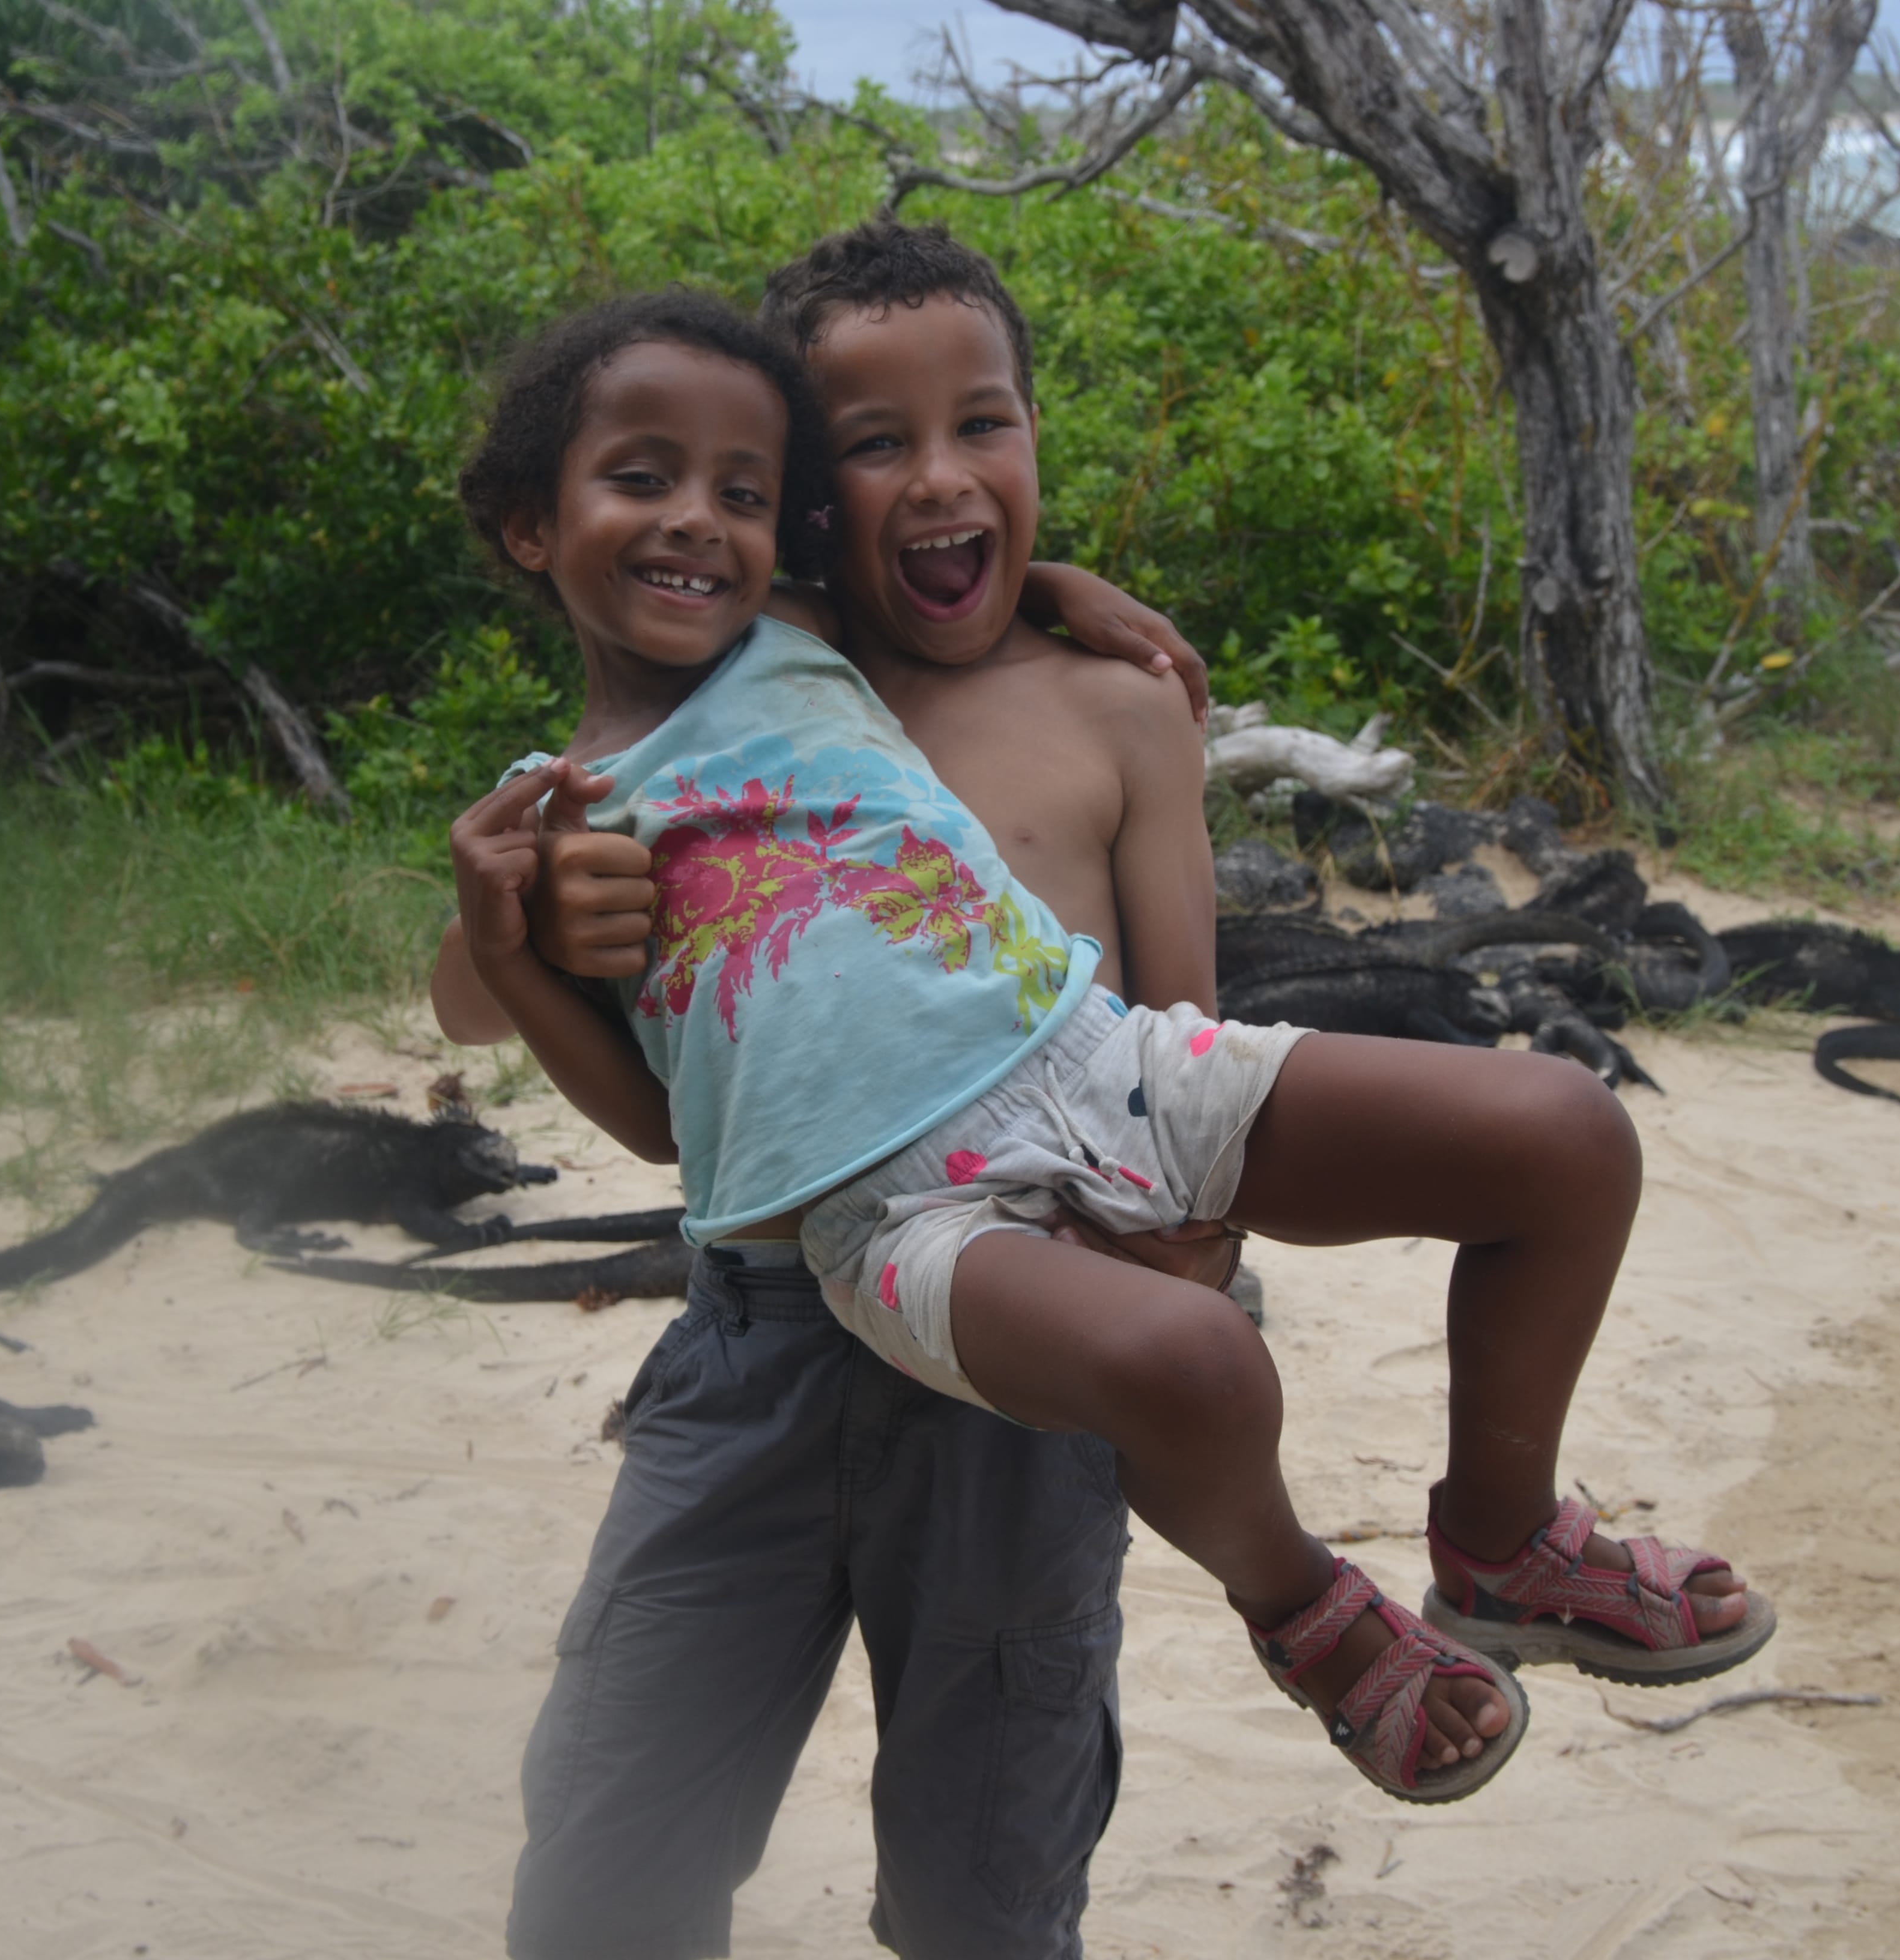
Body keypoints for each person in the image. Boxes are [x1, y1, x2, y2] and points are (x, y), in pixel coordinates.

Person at [434, 284, 1196, 1960]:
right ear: (815, 513)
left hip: (1016, 1350)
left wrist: (1057, 591)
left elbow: (1180, 1051)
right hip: (760, 1339)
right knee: (610, 1847)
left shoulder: (1107, 713)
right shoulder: (730, 700)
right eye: (870, 446)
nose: (938, 480)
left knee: (987, 1887)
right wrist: (510, 909)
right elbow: (492, 1014)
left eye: (982, 426)